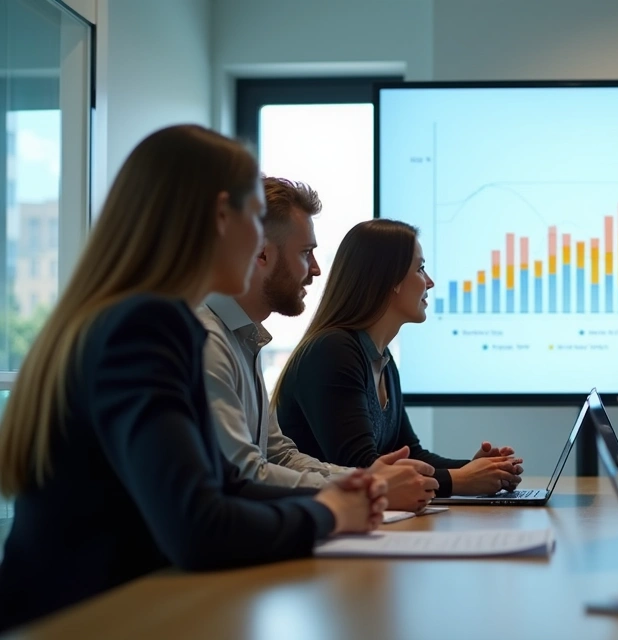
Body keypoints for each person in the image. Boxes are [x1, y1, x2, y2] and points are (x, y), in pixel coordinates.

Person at [0, 125, 385, 632]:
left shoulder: (139, 318)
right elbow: (200, 527)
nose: (259, 244)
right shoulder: (145, 326)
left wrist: (343, 496)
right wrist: (331, 513)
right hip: (82, 621)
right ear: (221, 217)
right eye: (253, 218)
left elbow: (225, 485)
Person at [197, 177, 438, 513]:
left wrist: (362, 482)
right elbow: (246, 472)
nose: (316, 269)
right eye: (306, 253)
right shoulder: (208, 343)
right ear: (262, 254)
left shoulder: (243, 339)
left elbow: (278, 455)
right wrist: (369, 486)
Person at [274, 219, 524, 498]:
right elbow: (361, 467)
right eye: (420, 269)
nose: (429, 282)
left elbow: (410, 452)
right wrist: (459, 480)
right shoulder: (333, 351)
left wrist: (480, 470)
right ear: (389, 280)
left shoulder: (382, 359)